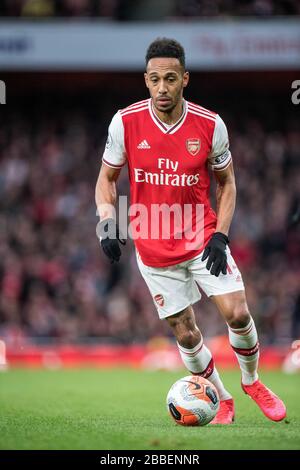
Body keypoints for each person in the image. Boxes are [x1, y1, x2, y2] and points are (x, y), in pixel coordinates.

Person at [95, 38, 286, 424]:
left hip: (201, 238)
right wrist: (108, 222)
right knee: (185, 333)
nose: (161, 88)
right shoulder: (125, 121)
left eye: (169, 79)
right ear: (145, 80)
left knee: (236, 313)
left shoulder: (210, 124)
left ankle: (252, 381)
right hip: (152, 247)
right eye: (154, 79)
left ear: (184, 79)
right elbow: (106, 179)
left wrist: (222, 234)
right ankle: (222, 397)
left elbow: (227, 183)